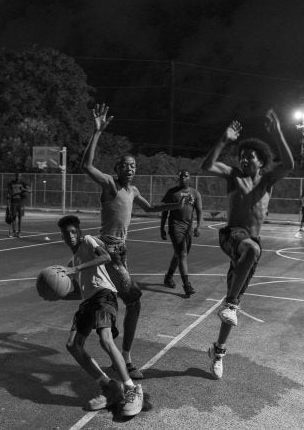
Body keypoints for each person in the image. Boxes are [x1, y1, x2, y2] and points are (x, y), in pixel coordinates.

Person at [81, 103, 186, 380]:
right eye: (126, 165)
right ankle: (124, 359)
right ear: (117, 169)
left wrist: (175, 206)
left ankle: (116, 351)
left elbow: (150, 209)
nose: (130, 168)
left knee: (117, 302)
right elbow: (86, 165)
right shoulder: (110, 185)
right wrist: (97, 132)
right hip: (108, 248)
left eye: (134, 166)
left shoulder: (133, 189)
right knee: (135, 301)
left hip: (120, 252)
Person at [201, 109, 294, 380]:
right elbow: (207, 165)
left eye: (250, 155)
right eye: (241, 155)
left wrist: (277, 133)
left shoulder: (267, 180)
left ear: (261, 160)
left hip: (250, 244)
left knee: (233, 310)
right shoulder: (233, 176)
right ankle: (230, 302)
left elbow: (289, 164)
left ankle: (218, 351)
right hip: (233, 235)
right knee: (251, 251)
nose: (244, 158)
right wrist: (223, 139)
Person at [57, 215, 143, 416]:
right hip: (88, 302)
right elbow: (82, 291)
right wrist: (58, 295)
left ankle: (131, 389)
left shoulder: (88, 241)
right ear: (61, 237)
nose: (70, 236)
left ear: (78, 231)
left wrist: (75, 269)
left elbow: (105, 257)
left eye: (72, 231)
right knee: (73, 345)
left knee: (105, 339)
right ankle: (109, 386)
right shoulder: (73, 260)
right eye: (65, 233)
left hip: (104, 295)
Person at [160, 169, 203, 297]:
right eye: (180, 176)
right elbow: (164, 212)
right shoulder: (172, 192)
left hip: (188, 229)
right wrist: (162, 228)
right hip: (175, 227)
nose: (183, 178)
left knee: (179, 254)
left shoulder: (195, 193)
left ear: (189, 178)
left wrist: (199, 226)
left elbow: (200, 211)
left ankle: (168, 277)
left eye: (185, 176)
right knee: (182, 255)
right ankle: (187, 285)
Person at [7, 173, 30, 238]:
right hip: (13, 202)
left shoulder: (23, 183)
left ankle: (19, 232)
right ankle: (14, 232)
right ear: (15, 176)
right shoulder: (11, 183)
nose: (18, 177)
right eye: (17, 176)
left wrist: (24, 189)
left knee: (20, 217)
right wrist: (8, 196)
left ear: (20, 176)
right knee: (13, 217)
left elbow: (30, 190)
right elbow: (9, 191)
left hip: (20, 202)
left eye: (19, 176)